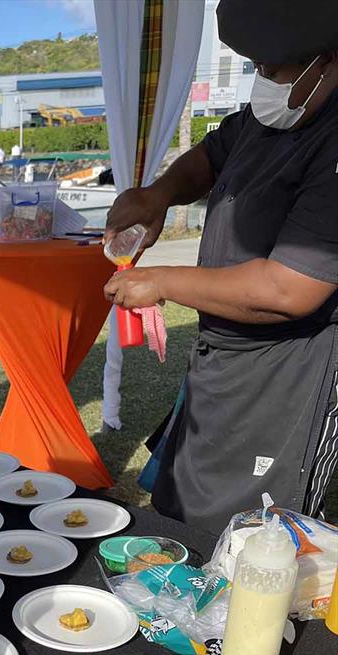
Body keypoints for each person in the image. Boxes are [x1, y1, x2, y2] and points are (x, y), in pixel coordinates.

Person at [103, 0, 338, 534]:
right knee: (183, 516)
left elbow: (287, 290)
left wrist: (163, 281)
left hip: (291, 372)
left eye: (271, 69)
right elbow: (211, 154)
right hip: (222, 357)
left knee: (260, 537)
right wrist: (158, 195)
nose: (261, 81)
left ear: (325, 60)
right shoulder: (275, 114)